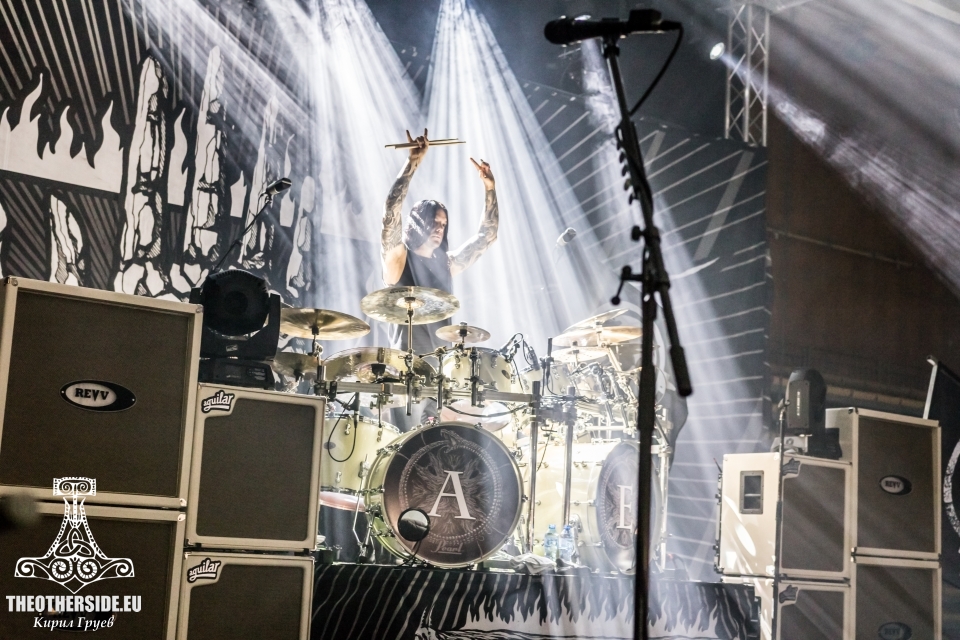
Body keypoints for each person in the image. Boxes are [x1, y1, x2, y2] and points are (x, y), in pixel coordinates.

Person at [381, 129, 499, 354]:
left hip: (442, 366)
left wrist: (490, 189)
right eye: (434, 222)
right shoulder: (399, 258)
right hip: (405, 365)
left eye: (443, 224)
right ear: (417, 223)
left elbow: (488, 236)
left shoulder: (446, 262)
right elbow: (390, 212)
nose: (439, 228)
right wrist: (412, 163)